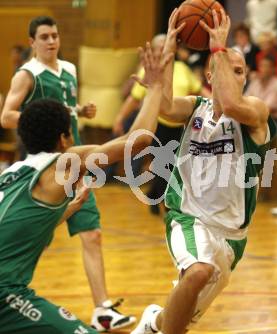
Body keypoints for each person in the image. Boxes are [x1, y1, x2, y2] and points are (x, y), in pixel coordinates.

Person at [0, 42, 170, 334]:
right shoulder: (63, 164)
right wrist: (154, 88)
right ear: (66, 138)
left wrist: (67, 209)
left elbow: (20, 223)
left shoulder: (13, 172)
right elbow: (137, 141)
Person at [131, 8, 276, 334]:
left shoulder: (255, 111)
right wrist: (169, 48)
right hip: (189, 216)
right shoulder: (195, 107)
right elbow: (165, 105)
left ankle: (151, 323)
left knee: (178, 319)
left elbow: (232, 105)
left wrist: (219, 49)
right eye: (227, 69)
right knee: (196, 272)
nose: (235, 76)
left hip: (231, 236)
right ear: (210, 76)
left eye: (240, 71)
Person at [112, 33, 203, 215]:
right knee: (166, 165)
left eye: (166, 46)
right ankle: (163, 200)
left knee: (175, 166)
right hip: (158, 125)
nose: (163, 50)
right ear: (153, 50)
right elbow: (135, 97)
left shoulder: (182, 68)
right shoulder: (149, 71)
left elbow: (198, 92)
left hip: (181, 126)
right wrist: (120, 117)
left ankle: (156, 194)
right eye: (159, 47)